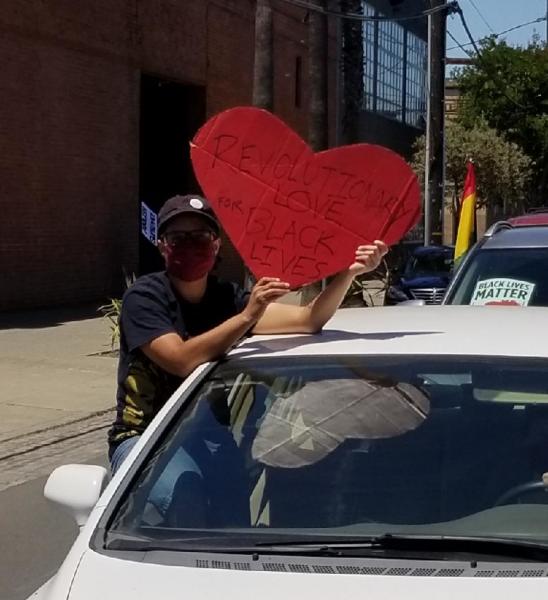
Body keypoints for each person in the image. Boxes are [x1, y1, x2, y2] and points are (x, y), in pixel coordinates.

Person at [107, 194, 388, 478]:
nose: (190, 244)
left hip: (204, 433)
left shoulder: (227, 297)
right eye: (178, 237)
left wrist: (349, 274)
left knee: (239, 492)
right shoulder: (144, 298)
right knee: (177, 491)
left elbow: (308, 320)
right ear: (162, 247)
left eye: (201, 236)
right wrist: (247, 316)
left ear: (216, 245)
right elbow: (180, 360)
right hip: (144, 436)